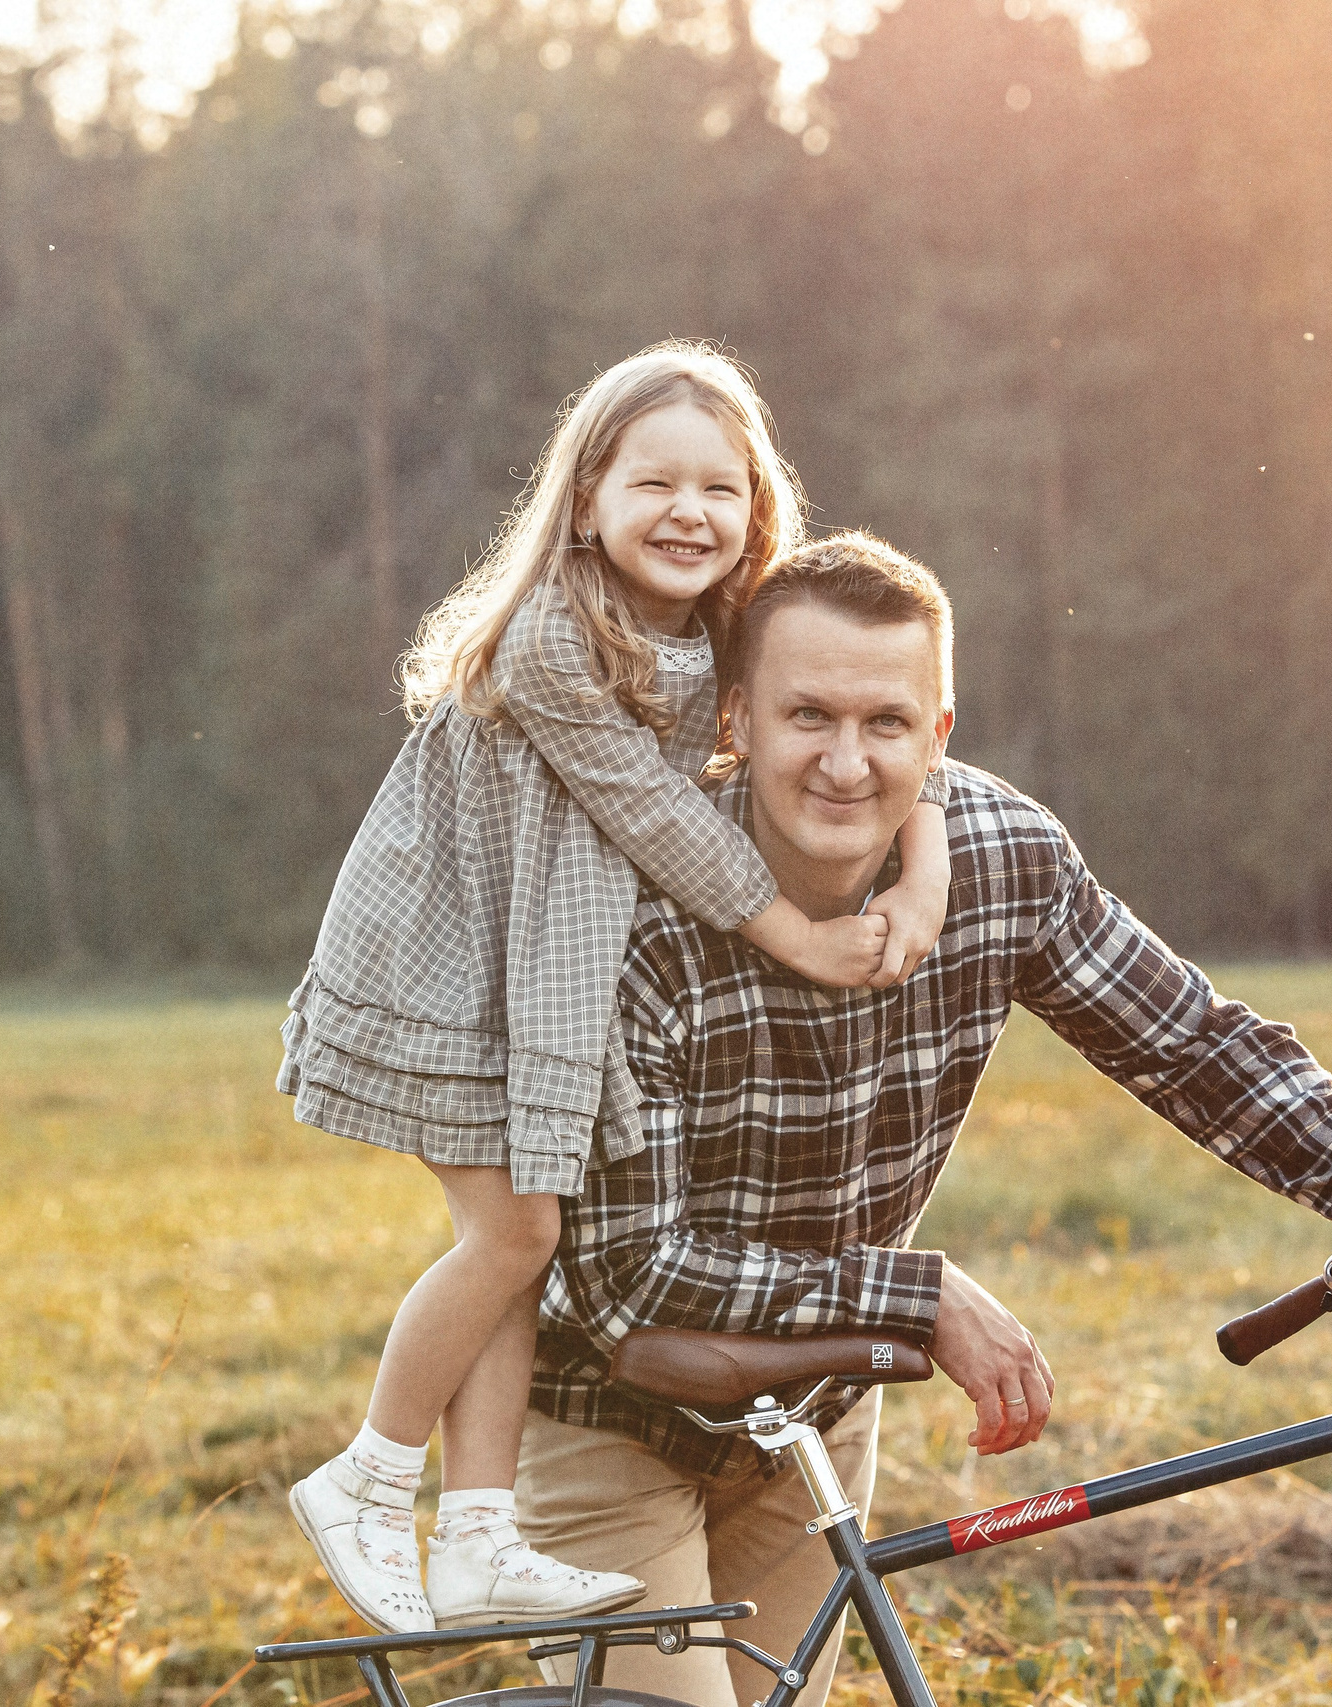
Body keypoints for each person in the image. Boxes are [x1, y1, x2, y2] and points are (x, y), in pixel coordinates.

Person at [514, 532, 1332, 1707]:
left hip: (810, 1413)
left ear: (937, 736)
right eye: (807, 716)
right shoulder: (639, 912)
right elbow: (629, 1273)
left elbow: (1196, 1049)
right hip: (609, 1411)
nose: (844, 762)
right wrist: (917, 1294)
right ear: (736, 718)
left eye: (886, 723)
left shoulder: (1000, 859)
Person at [274, 348, 954, 1634]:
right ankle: (368, 1475)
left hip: (542, 984)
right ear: (584, 501)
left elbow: (905, 757)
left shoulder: (708, 641)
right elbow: (665, 821)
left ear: (759, 510)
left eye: (722, 488)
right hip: (451, 973)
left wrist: (918, 878)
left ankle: (479, 1535)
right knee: (514, 1238)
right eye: (655, 483)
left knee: (522, 1256)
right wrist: (806, 944)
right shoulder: (552, 639)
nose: (689, 513)